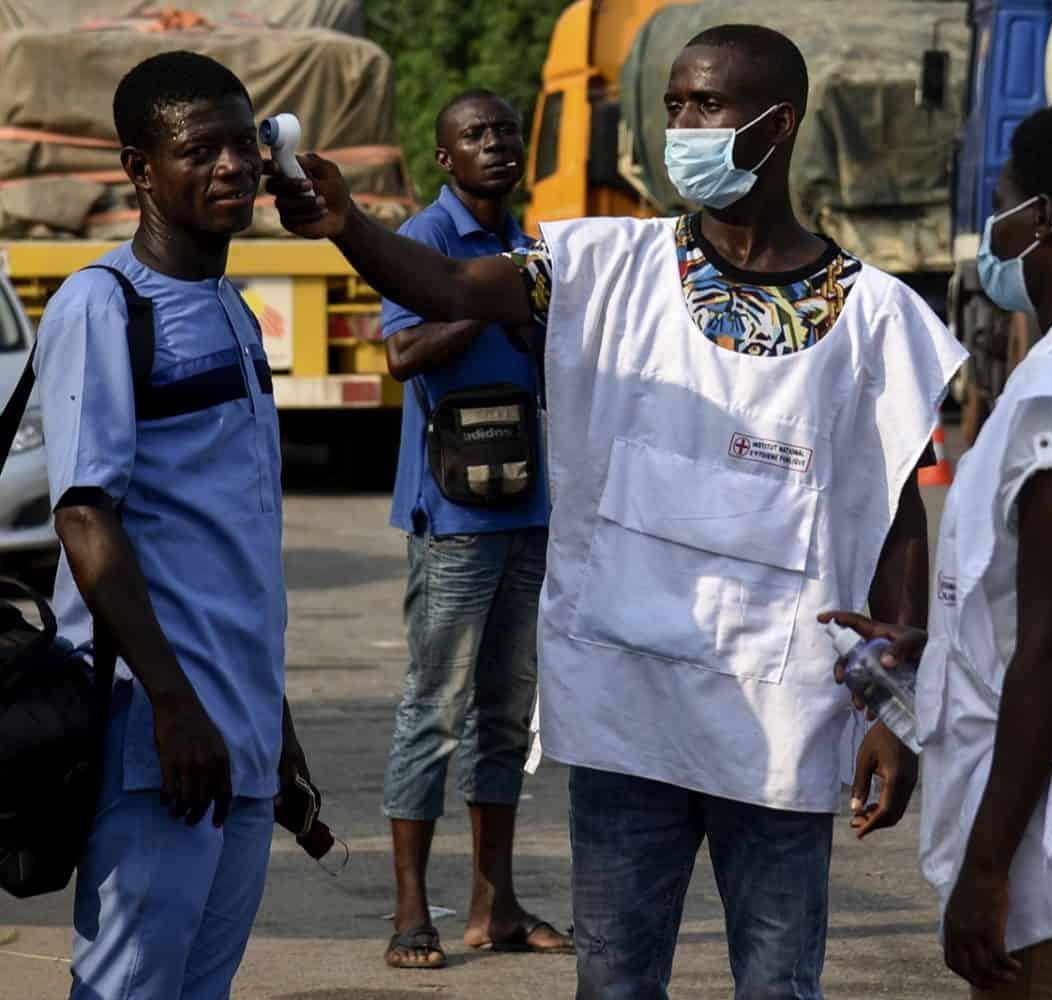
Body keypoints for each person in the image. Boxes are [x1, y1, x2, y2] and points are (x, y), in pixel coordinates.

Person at [268, 24, 965, 999]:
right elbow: (450, 284)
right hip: (628, 713)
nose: (681, 124)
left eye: (707, 106)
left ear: (779, 123)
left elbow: (897, 512)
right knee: (618, 986)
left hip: (781, 717)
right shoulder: (602, 268)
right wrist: (346, 222)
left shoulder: (874, 316)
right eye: (673, 103)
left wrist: (895, 705)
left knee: (778, 984)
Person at [822, 99, 1052, 999]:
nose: (991, 228)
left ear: (1042, 221)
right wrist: (938, 649)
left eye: (1003, 201)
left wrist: (985, 873)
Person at [36, 51, 308, 999]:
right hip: (155, 734)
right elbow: (84, 514)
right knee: (129, 988)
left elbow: (231, 549)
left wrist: (275, 728)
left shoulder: (233, 310)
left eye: (246, 145)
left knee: (199, 987)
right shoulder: (103, 306)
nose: (234, 166)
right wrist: (173, 703)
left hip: (236, 735)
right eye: (202, 150)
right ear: (139, 168)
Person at [377, 88, 570, 970]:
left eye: (504, 131)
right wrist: (485, 304)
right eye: (474, 135)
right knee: (433, 710)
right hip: (453, 516)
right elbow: (401, 354)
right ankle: (410, 910)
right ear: (446, 158)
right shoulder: (425, 240)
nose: (495, 143)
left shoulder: (533, 242)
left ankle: (495, 907)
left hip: (527, 502)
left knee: (504, 716)